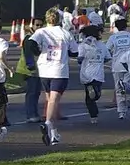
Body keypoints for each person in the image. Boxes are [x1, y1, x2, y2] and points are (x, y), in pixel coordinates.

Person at [32, 8, 75, 146]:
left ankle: (53, 133)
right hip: (59, 71)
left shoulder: (41, 32)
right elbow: (74, 52)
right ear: (59, 19)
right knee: (54, 100)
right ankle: (48, 123)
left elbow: (30, 43)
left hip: (44, 70)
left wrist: (37, 51)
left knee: (51, 100)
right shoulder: (65, 33)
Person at [105, 17, 130, 119]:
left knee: (119, 90)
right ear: (126, 26)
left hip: (117, 65)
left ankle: (121, 112)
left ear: (117, 28)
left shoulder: (113, 38)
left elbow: (107, 51)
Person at [77, 25, 106, 124]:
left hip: (87, 73)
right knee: (95, 95)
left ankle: (94, 116)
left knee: (89, 98)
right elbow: (107, 57)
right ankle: (94, 114)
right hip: (97, 74)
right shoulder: (101, 45)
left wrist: (84, 58)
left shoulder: (83, 45)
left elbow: (80, 59)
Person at [19, 33, 42, 123]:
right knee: (32, 92)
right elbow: (28, 54)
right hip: (29, 70)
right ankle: (31, 115)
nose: (38, 26)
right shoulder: (29, 38)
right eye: (36, 24)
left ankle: (34, 113)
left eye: (40, 24)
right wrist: (31, 66)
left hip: (38, 69)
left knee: (36, 92)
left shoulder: (40, 36)